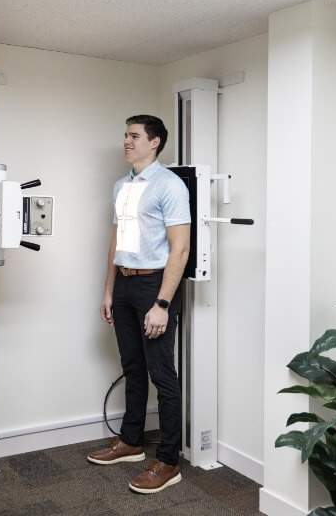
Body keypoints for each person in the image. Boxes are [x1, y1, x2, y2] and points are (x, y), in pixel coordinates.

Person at [87, 115, 190, 495]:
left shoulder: (170, 186)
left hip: (155, 286)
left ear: (155, 142)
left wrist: (162, 302)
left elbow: (180, 249)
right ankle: (131, 441)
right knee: (132, 367)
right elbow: (117, 243)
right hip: (126, 284)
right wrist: (109, 291)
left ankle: (168, 460)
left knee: (162, 374)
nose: (126, 141)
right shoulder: (121, 186)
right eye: (125, 135)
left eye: (134, 136)